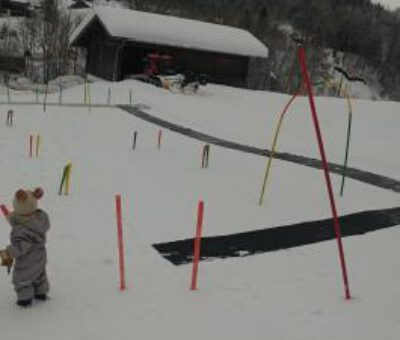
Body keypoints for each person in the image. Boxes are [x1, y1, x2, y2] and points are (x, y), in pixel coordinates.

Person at [0, 188, 50, 307]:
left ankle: (25, 299)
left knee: (22, 279)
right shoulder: (40, 218)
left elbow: (20, 247)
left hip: (28, 260)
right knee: (39, 274)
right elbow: (20, 219)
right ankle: (41, 293)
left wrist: (7, 252)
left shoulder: (20, 230)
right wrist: (8, 215)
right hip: (40, 256)